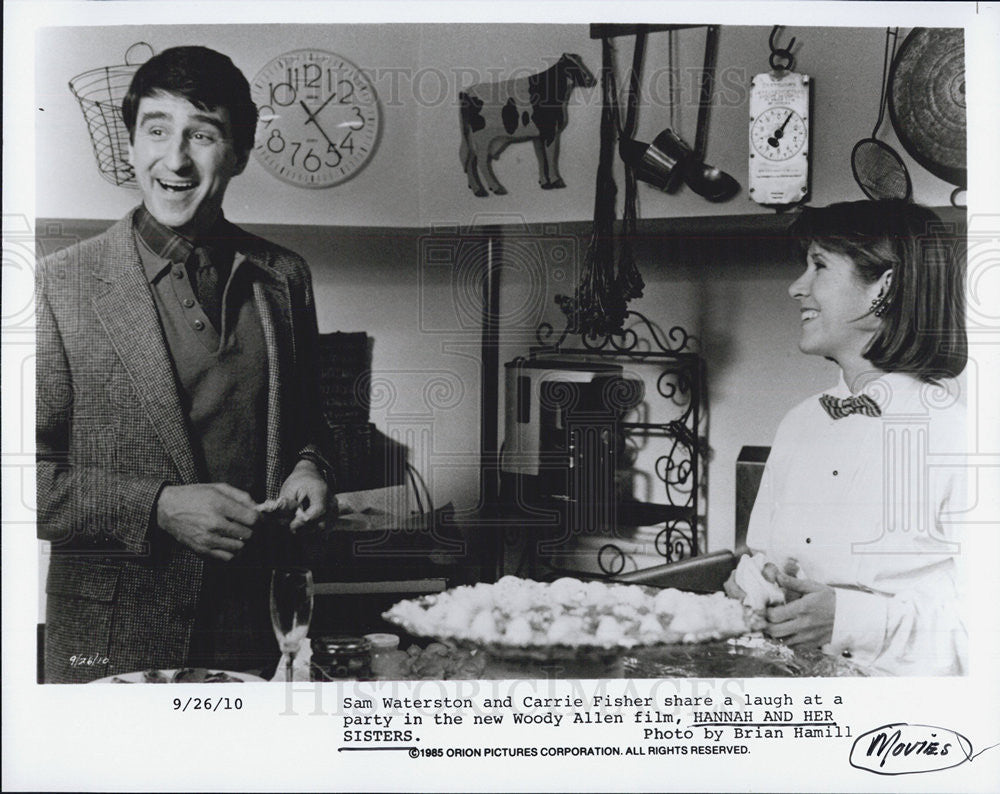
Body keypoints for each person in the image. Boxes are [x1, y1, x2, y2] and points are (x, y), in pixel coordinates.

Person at [36, 46, 334, 682]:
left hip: (257, 628)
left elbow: (312, 423)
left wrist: (311, 465)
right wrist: (158, 506)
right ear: (132, 140)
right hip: (113, 640)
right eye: (156, 129)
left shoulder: (285, 277)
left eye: (201, 134)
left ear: (240, 153)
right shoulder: (56, 286)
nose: (174, 159)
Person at [726, 199, 968, 676]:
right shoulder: (798, 423)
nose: (797, 287)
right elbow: (761, 558)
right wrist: (755, 586)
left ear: (887, 287)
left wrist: (852, 621)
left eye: (819, 266)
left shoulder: (961, 437)